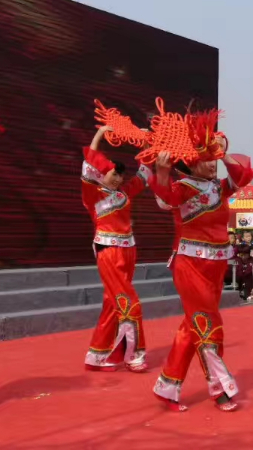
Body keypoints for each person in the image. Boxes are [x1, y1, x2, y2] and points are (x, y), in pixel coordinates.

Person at [150, 146, 253, 413]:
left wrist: (223, 154)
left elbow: (241, 177)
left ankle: (167, 387)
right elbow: (166, 197)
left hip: (217, 264)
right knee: (208, 322)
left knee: (193, 325)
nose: (212, 165)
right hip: (190, 263)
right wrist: (162, 171)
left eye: (213, 160)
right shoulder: (183, 188)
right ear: (191, 162)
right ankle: (220, 387)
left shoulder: (219, 187)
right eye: (206, 160)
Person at [80, 126, 152, 373]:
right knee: (129, 301)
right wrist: (101, 132)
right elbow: (90, 158)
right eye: (113, 174)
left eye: (120, 175)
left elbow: (145, 173)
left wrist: (144, 143)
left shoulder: (125, 191)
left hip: (128, 248)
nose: (118, 178)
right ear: (100, 174)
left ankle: (98, 355)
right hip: (108, 249)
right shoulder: (93, 193)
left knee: (113, 302)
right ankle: (134, 354)